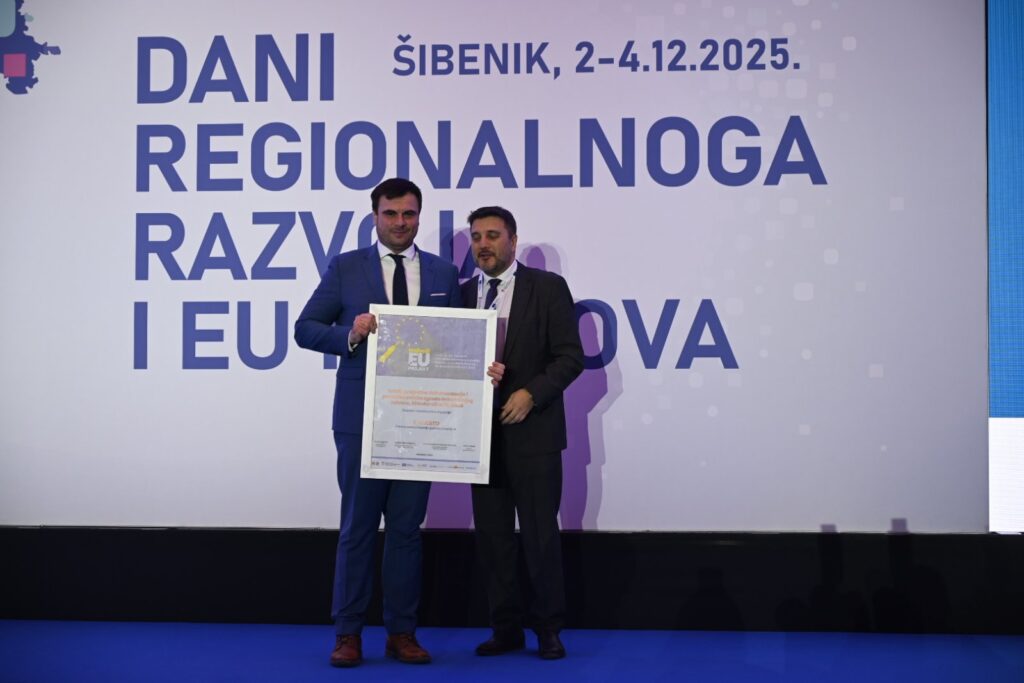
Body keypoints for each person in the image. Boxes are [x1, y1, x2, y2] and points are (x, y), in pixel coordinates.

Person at [294, 177, 461, 668]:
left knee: (406, 531)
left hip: (421, 420)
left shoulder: (444, 273)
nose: (400, 223)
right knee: (358, 528)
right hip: (360, 419)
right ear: (375, 216)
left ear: (419, 216)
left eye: (409, 214)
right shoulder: (346, 267)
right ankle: (347, 633)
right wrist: (350, 333)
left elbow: (458, 343)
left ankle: (401, 633)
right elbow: (305, 328)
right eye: (391, 213)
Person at [462, 206, 584, 660]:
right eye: (477, 237)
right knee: (493, 541)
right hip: (480, 438)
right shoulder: (461, 295)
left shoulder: (547, 288)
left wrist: (531, 393)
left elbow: (570, 357)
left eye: (493, 235)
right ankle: (505, 629)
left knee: (539, 537)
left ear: (513, 241)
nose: (484, 244)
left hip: (535, 436)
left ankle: (548, 630)